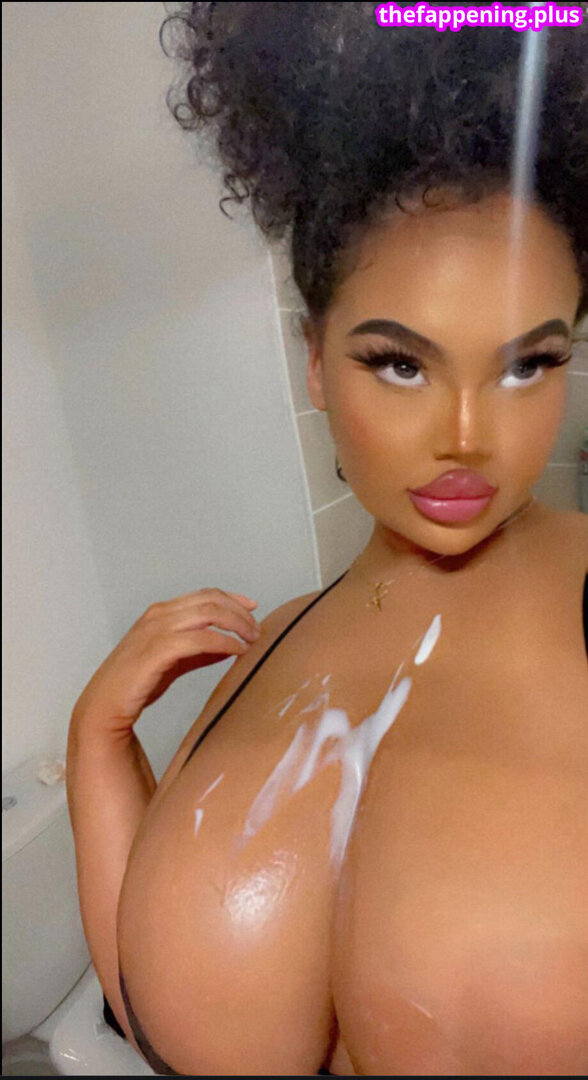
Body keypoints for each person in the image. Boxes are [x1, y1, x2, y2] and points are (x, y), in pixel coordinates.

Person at [66, 3, 588, 1075]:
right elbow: (154, 1010)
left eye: (526, 365)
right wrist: (96, 746)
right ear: (315, 361)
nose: (466, 436)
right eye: (399, 362)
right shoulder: (266, 651)